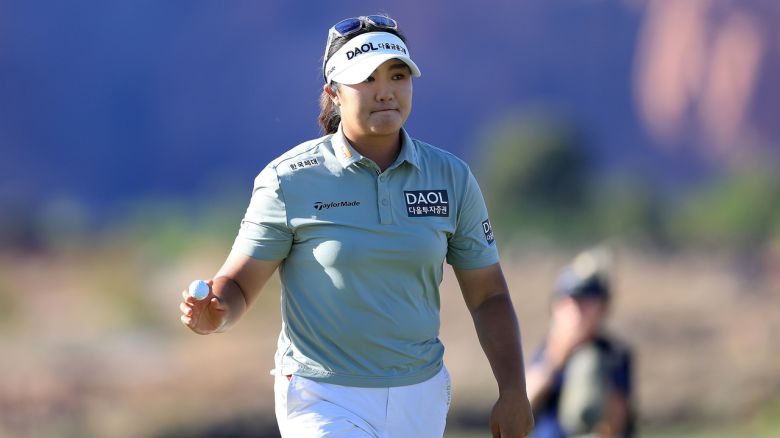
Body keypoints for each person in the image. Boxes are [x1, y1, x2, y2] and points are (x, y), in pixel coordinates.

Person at [178, 14, 534, 438]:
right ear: (334, 93)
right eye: (365, 79)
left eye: (397, 76)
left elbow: (489, 295)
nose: (385, 91)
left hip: (420, 395)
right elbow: (237, 285)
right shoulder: (289, 179)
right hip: (321, 397)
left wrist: (514, 390)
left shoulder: (451, 177)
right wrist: (215, 314)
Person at [525, 250, 635, 438]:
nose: (578, 311)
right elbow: (524, 401)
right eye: (572, 302)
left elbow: (617, 423)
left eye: (587, 302)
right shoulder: (548, 351)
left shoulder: (614, 354)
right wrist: (556, 359)